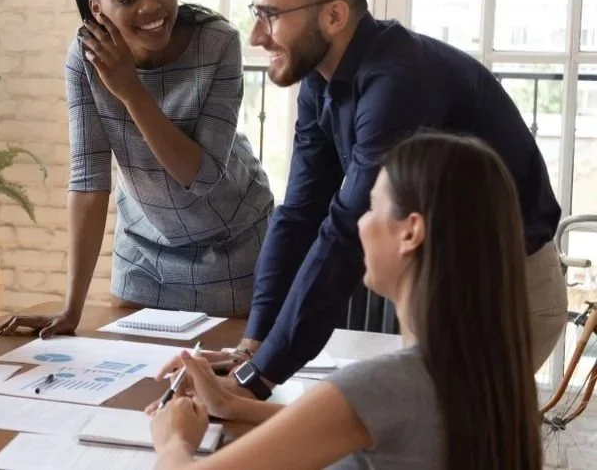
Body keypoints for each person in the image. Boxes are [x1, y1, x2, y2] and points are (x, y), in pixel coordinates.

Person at [206, 0, 565, 399]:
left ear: (334, 15)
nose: (255, 35)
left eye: (271, 15)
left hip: (505, 295)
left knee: (440, 446)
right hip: (440, 286)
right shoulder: (321, 78)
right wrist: (253, 347)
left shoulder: (399, 84)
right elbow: (300, 214)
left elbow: (344, 231)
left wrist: (261, 377)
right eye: (258, 12)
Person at [149, 132, 543, 470]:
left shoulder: (384, 383)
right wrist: (234, 406)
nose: (361, 223)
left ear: (411, 233)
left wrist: (174, 442)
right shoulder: (485, 375)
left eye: (372, 207)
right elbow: (372, 425)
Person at [0, 0, 274, 337]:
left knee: (221, 389)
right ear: (97, 7)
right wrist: (71, 310)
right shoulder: (84, 58)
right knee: (130, 388)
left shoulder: (218, 43)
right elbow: (89, 182)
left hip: (233, 249)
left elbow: (199, 176)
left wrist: (130, 90)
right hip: (144, 253)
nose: (151, 6)